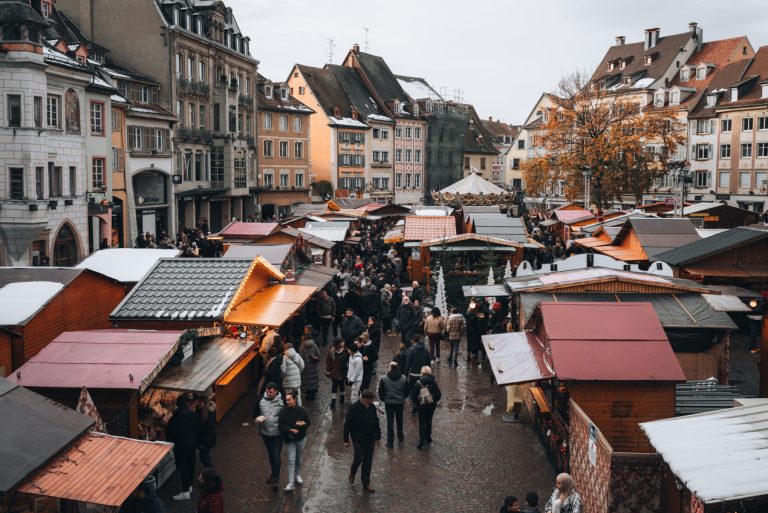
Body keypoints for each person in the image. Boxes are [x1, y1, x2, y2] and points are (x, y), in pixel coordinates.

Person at [343, 389, 381, 493]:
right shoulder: (354, 408)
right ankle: (353, 472)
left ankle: (366, 484)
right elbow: (347, 424)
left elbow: (376, 422)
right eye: (370, 399)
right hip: (358, 439)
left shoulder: (372, 407)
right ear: (364, 399)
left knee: (368, 461)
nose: (371, 401)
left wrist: (378, 436)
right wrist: (346, 440)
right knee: (359, 457)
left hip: (370, 438)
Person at [166, 394, 201, 501]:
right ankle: (189, 486)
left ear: (178, 405)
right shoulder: (194, 415)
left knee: (183, 468)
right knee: (191, 465)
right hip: (192, 445)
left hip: (181, 448)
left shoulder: (175, 419)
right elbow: (198, 427)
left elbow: (169, 435)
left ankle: (185, 491)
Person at [252, 383, 284, 488]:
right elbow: (254, 413)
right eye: (267, 391)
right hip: (265, 433)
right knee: (271, 454)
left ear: (276, 391)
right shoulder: (260, 400)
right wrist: (257, 418)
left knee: (276, 454)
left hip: (278, 434)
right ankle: (274, 473)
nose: (268, 393)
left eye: (271, 392)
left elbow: (286, 414)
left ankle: (276, 478)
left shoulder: (282, 400)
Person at [278, 390, 310, 492]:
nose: (287, 402)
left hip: (300, 438)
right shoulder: (283, 411)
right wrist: (290, 430)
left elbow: (308, 423)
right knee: (291, 459)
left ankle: (298, 475)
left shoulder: (303, 410)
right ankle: (290, 482)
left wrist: (302, 425)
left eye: (289, 400)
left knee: (298, 457)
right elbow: (280, 425)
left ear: (295, 399)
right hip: (289, 439)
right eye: (286, 400)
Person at [410, 366, 441, 449]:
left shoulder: (418, 383)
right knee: (429, 421)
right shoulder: (433, 383)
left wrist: (418, 403)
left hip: (421, 406)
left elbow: (413, 397)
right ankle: (428, 438)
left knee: (422, 423)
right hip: (431, 406)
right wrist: (433, 400)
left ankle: (421, 441)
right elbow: (438, 395)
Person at [377, 361, 407, 448]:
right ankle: (400, 436)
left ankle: (390, 442)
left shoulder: (384, 379)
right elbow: (407, 391)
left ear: (390, 368)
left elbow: (381, 392)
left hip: (389, 403)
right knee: (399, 419)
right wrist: (402, 397)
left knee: (390, 422)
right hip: (400, 403)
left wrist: (384, 399)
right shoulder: (404, 378)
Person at [404, 335, 431, 412]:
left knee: (412, 390)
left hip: (413, 375)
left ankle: (414, 404)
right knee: (422, 389)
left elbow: (408, 364)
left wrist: (405, 374)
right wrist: (429, 374)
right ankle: (421, 404)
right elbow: (428, 364)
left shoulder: (411, 350)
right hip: (423, 374)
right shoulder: (426, 351)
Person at [196, 395, 216, 469]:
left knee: (204, 457)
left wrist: (202, 443)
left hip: (206, 441)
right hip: (209, 440)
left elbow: (207, 431)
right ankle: (209, 470)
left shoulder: (207, 415)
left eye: (199, 402)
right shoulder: (209, 411)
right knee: (205, 456)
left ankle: (209, 472)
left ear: (204, 403)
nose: (198, 404)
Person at [326, 338, 347, 408]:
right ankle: (333, 401)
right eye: (342, 342)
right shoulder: (332, 351)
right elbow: (328, 361)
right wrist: (328, 370)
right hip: (335, 372)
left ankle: (342, 398)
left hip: (342, 372)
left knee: (341, 386)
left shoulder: (345, 350)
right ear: (339, 344)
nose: (343, 343)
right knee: (334, 387)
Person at [299, 333, 321, 400]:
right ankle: (313, 393)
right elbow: (318, 355)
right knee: (313, 379)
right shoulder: (314, 345)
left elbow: (301, 358)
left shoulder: (302, 347)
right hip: (313, 365)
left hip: (305, 367)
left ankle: (308, 394)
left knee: (307, 380)